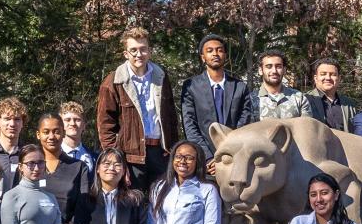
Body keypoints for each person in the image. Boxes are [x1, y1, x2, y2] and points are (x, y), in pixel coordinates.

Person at [97, 26, 178, 194]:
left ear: (150, 51)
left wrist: (172, 150)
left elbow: (171, 118)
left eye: (143, 49)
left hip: (160, 152)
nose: (138, 54)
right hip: (130, 156)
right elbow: (105, 126)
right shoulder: (114, 82)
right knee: (133, 205)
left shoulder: (161, 77)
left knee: (162, 204)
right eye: (133, 50)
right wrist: (116, 160)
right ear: (126, 54)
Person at [179, 33, 253, 170]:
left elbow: (245, 123)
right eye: (210, 50)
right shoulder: (191, 86)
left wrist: (229, 154)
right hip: (205, 162)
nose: (215, 54)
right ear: (203, 57)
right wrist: (207, 158)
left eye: (219, 50)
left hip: (234, 158)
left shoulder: (240, 87)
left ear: (225, 55)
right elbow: (190, 125)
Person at [35, 111, 90, 223]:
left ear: (64, 133)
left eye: (56, 132)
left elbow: (82, 207)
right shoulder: (30, 166)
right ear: (38, 134)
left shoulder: (78, 167)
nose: (51, 137)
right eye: (46, 132)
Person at [250, 50, 310, 120]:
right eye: (269, 66)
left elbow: (306, 128)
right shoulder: (251, 100)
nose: (274, 71)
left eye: (278, 66)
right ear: (260, 70)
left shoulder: (299, 98)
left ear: (284, 70)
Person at [304, 57, 358, 133]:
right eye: (323, 74)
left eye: (333, 74)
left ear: (339, 78)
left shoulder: (349, 104)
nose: (328, 78)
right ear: (316, 78)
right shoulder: (305, 100)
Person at [0, 97, 28, 189]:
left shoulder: (28, 154)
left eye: (17, 119)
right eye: (7, 119)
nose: (12, 124)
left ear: (22, 123)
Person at [58, 101, 96, 174]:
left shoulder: (94, 158)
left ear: (84, 125)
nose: (72, 123)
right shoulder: (51, 155)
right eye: (67, 120)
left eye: (77, 120)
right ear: (60, 124)